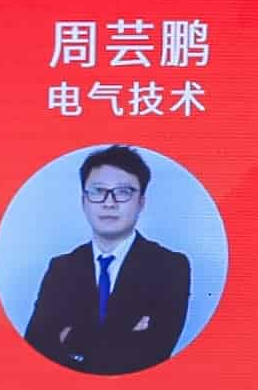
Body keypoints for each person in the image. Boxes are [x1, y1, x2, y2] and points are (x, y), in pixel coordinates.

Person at [23, 146, 192, 374]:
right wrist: (123, 334)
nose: (109, 203)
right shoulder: (61, 267)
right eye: (98, 191)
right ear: (84, 201)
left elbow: (154, 353)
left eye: (123, 192)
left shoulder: (170, 266)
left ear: (141, 202)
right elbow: (37, 346)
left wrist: (70, 338)